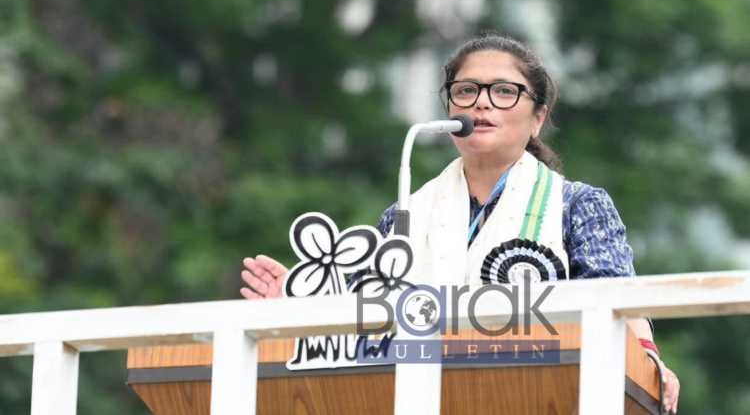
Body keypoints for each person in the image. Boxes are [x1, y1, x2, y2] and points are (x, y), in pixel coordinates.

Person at [240, 33, 680, 413]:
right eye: (466, 90)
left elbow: (617, 304)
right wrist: (296, 306)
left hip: (539, 395)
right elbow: (360, 322)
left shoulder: (576, 205)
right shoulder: (403, 216)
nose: (482, 102)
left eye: (504, 91)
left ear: (538, 118)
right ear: (450, 110)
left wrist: (649, 360)